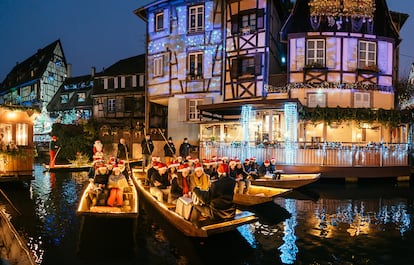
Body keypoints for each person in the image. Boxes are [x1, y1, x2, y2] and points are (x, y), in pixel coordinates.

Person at [190, 163, 236, 227]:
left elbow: (205, 199)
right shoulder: (233, 181)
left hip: (217, 213)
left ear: (219, 172)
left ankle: (194, 226)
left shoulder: (216, 184)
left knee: (196, 206)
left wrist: (196, 190)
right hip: (230, 212)